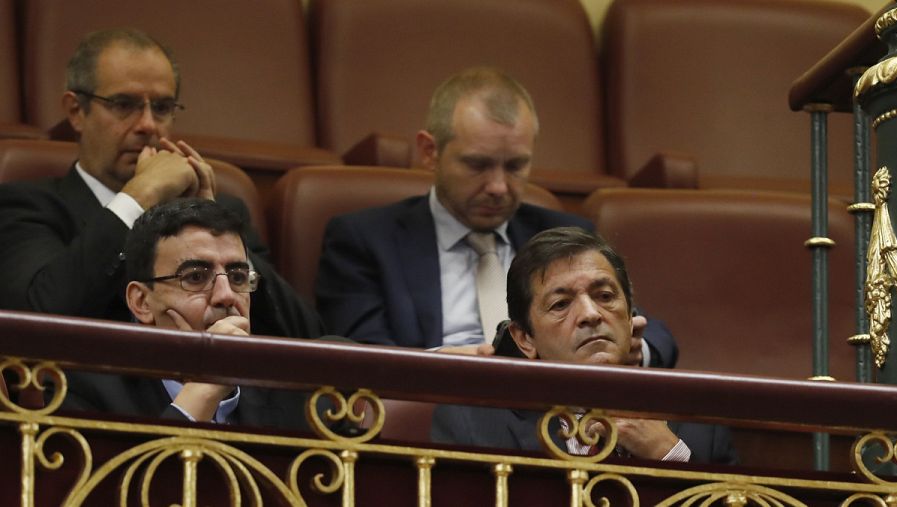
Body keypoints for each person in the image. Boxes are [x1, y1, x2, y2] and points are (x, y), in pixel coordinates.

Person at [316, 67, 676, 366]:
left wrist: (631, 348)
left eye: (516, 166)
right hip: (430, 422)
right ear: (430, 152)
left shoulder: (563, 233)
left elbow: (654, 333)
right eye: (478, 164)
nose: (499, 187)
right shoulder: (364, 239)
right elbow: (359, 358)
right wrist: (443, 364)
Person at [0, 28, 319, 339]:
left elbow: (303, 337)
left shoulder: (226, 211)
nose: (148, 125)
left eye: (163, 108)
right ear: (76, 112)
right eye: (123, 104)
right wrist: (140, 195)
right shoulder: (27, 205)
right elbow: (35, 318)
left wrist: (211, 228)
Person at [431, 227, 737, 464]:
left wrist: (669, 455)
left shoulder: (700, 422)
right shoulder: (474, 426)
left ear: (631, 316)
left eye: (605, 296)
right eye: (561, 304)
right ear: (525, 338)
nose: (591, 314)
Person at [57, 198, 311, 427]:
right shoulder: (84, 393)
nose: (226, 295)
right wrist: (204, 389)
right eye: (196, 277)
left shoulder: (291, 392)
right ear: (142, 302)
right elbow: (130, 479)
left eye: (237, 277)